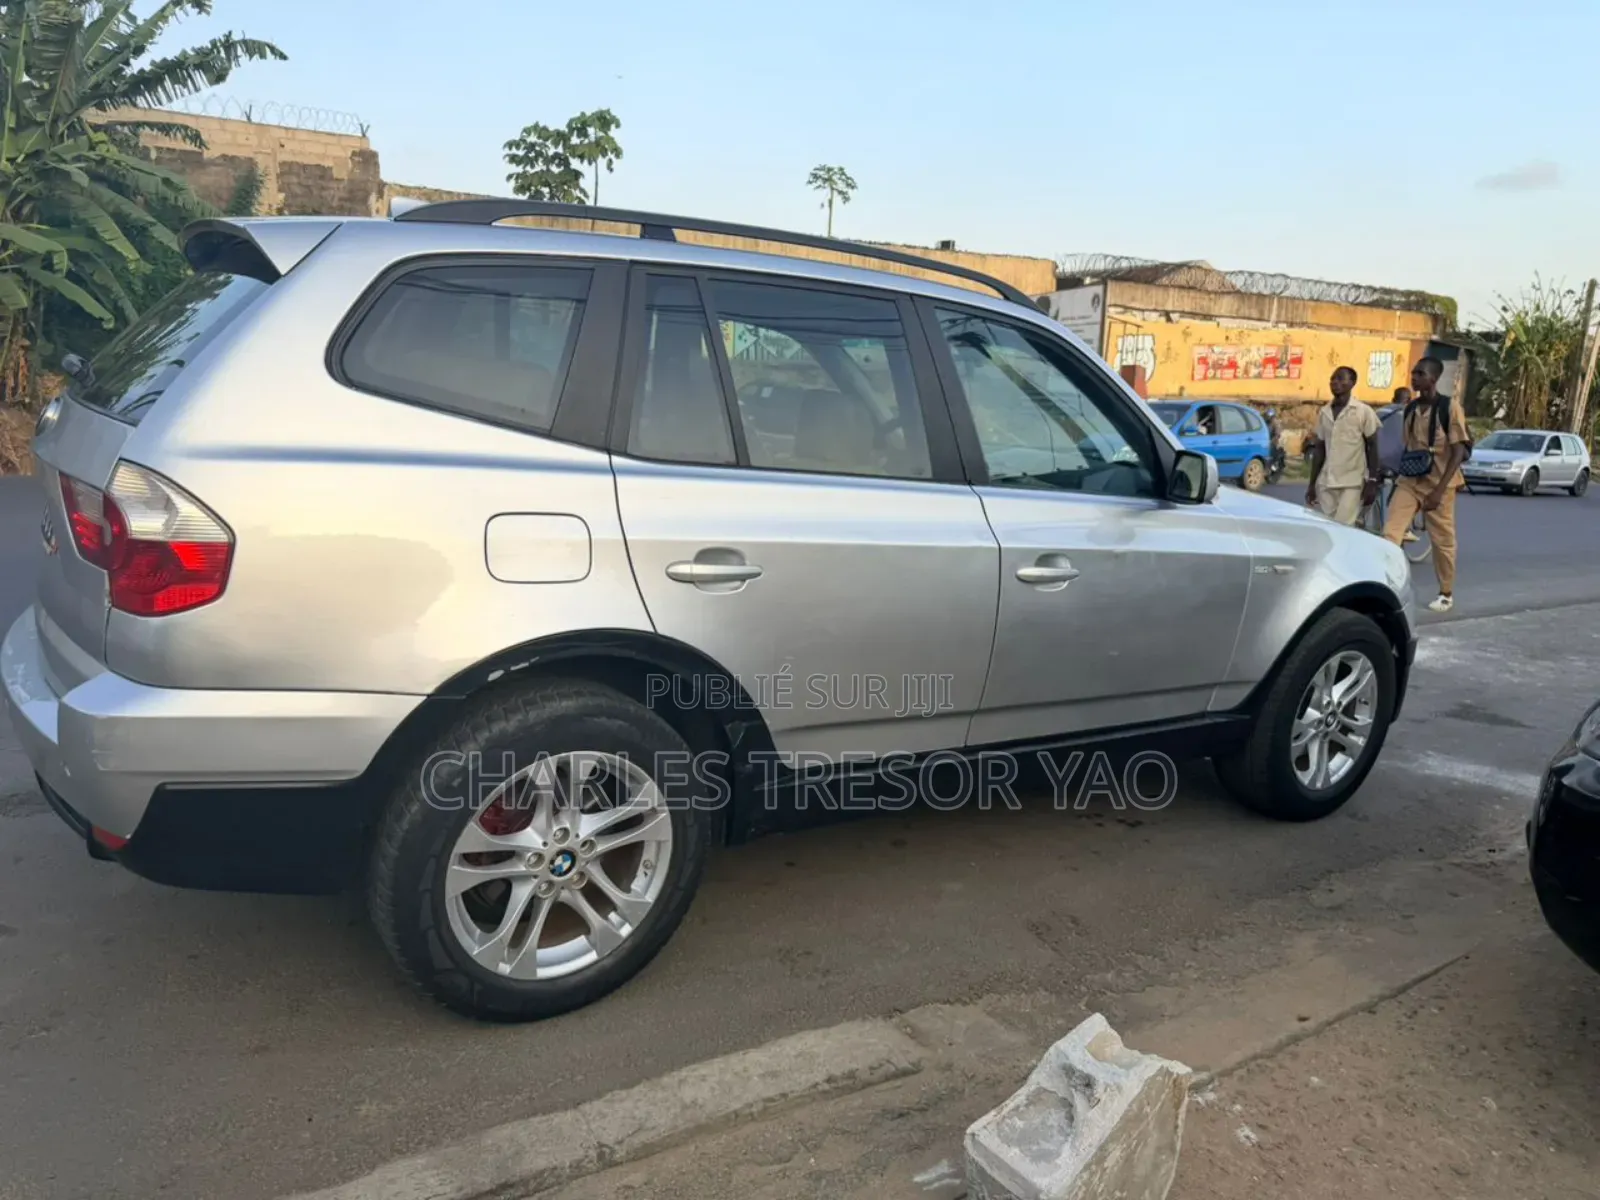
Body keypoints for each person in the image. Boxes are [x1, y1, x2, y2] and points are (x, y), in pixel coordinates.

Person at [1383, 357, 1469, 612]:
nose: (1414, 377)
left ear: (1433, 378)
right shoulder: (1409, 409)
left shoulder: (1449, 408)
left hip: (1440, 482)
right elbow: (1408, 448)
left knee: (1442, 540)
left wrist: (1439, 490)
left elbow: (1458, 452)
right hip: (1411, 480)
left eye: (1420, 374)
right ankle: (1388, 586)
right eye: (1413, 373)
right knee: (1390, 534)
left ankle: (1445, 593)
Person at [1305, 366, 1380, 525]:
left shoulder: (1363, 412)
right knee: (1331, 527)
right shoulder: (1324, 412)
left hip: (1352, 482)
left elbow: (1372, 446)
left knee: (1342, 528)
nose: (1334, 382)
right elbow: (1320, 449)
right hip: (1327, 482)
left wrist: (1372, 481)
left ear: (1352, 383)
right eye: (1332, 379)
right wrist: (1312, 485)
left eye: (1340, 378)